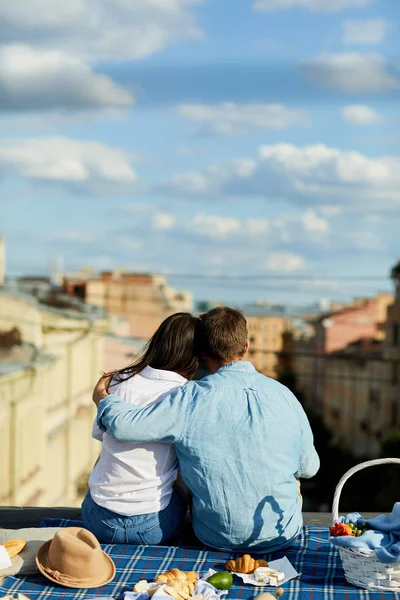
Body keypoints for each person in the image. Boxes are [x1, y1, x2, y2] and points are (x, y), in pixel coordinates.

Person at [93, 307, 320, 552]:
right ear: (245, 347)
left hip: (215, 536)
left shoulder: (190, 397)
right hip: (280, 536)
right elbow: (309, 468)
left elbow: (125, 427)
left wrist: (103, 398)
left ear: (202, 353)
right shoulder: (283, 394)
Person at [82, 312, 199, 545]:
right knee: (180, 484)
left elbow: (102, 442)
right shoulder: (188, 396)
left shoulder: (117, 381)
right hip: (153, 528)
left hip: (98, 522)